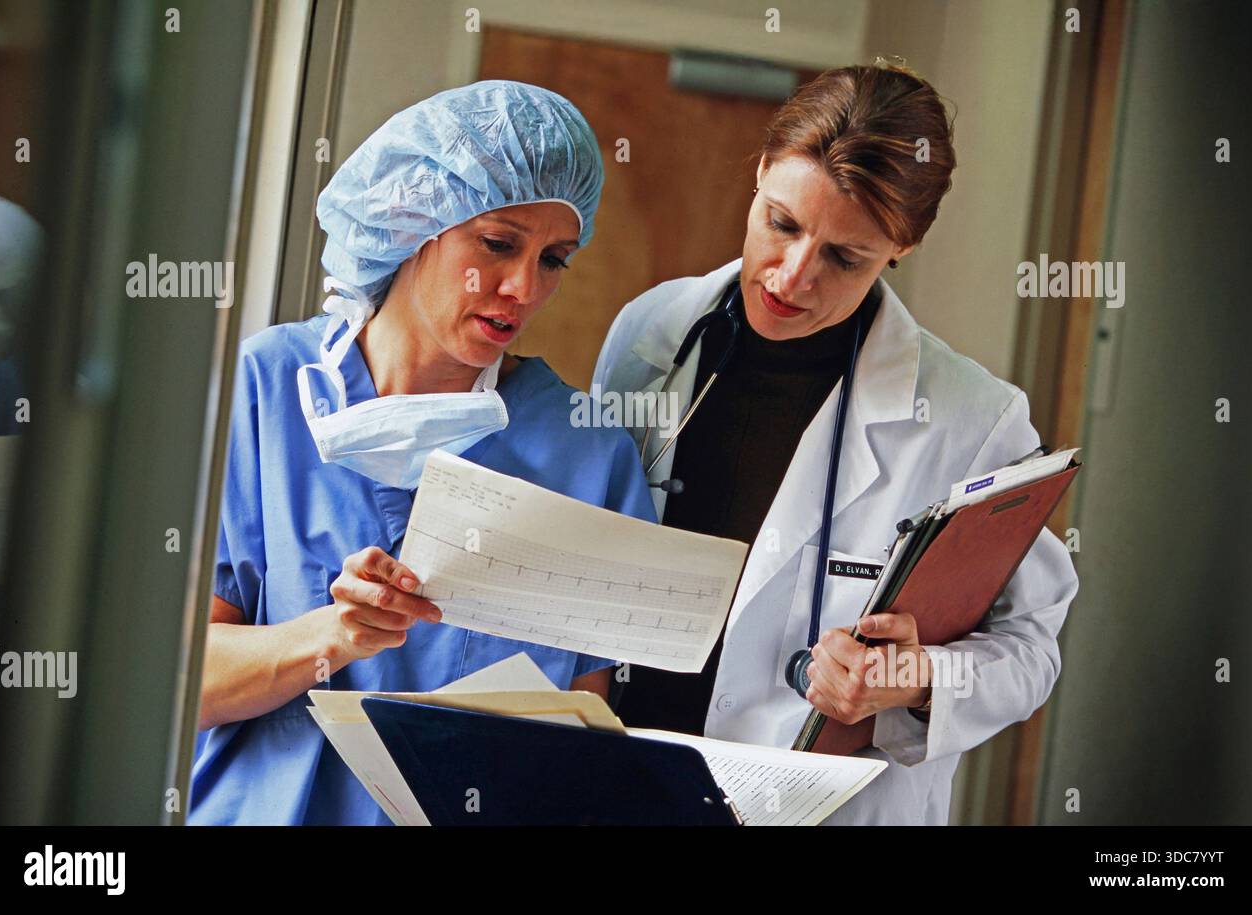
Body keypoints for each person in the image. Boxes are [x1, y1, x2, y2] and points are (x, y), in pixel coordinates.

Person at [593, 63, 1079, 825]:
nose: (793, 276)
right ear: (758, 174)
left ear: (901, 248)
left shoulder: (971, 420)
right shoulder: (649, 334)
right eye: (781, 223)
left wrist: (916, 678)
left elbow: (1031, 648)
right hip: (625, 784)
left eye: (844, 258)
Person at [189, 81, 655, 825]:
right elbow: (179, 687)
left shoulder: (585, 453)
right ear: (416, 219)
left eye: (555, 259)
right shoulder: (269, 391)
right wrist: (334, 634)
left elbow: (581, 743)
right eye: (499, 244)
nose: (523, 288)